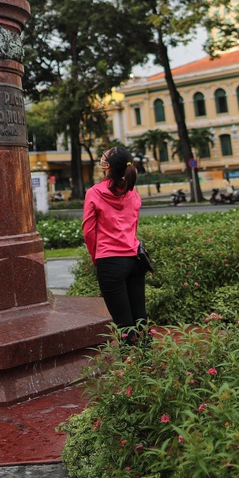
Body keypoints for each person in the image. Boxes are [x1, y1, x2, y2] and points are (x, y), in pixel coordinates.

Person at [83, 147, 147, 344]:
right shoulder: (133, 194)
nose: (102, 156)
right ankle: (148, 360)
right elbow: (133, 226)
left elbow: (88, 231)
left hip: (110, 262)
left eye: (105, 156)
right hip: (135, 260)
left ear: (107, 166)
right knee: (140, 317)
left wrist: (96, 257)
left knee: (124, 324)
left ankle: (131, 369)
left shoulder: (94, 193)